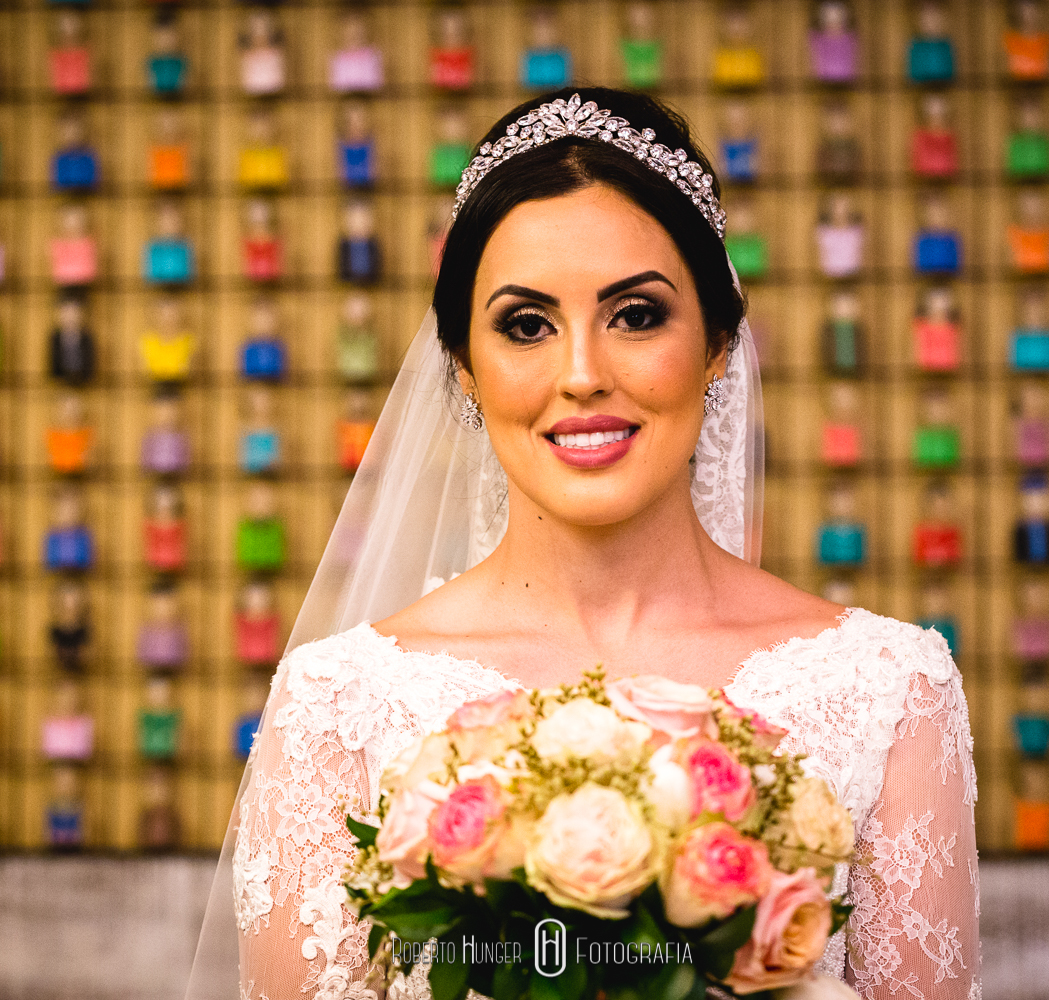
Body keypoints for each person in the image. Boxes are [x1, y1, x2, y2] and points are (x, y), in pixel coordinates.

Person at [188, 88, 980, 1000]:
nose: (581, 375)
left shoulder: (891, 691)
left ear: (719, 339)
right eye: (526, 326)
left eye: (636, 315)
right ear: (463, 367)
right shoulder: (339, 707)